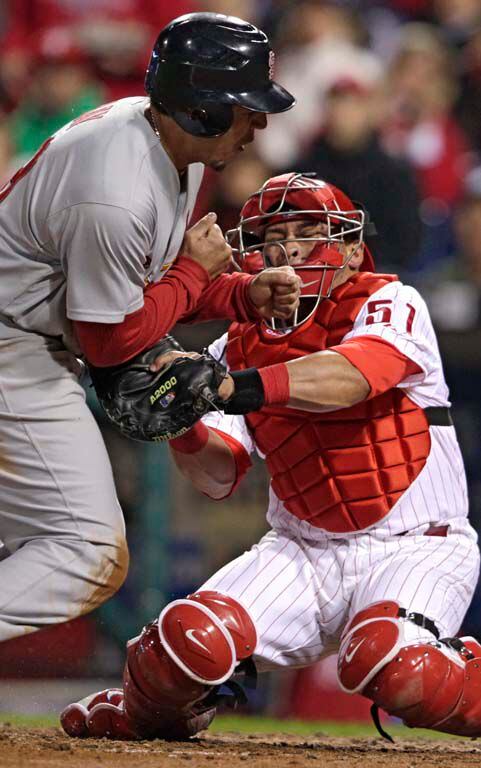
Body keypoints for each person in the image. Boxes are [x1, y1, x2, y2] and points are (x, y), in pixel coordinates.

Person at [61, 172, 481, 741]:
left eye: (308, 231)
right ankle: (146, 715)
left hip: (416, 547)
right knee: (180, 642)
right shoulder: (233, 344)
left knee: (391, 663)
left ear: (352, 247)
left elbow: (352, 377)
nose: (288, 248)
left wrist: (230, 389)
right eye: (273, 235)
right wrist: (180, 422)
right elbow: (216, 474)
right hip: (300, 553)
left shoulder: (389, 300)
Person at [0, 13, 300, 644]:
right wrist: (196, 274)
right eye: (247, 108)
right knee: (84, 552)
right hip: (14, 346)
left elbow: (145, 289)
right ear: (203, 110)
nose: (261, 124)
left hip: (34, 339)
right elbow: (112, 341)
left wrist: (238, 293)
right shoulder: (116, 189)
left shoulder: (170, 147)